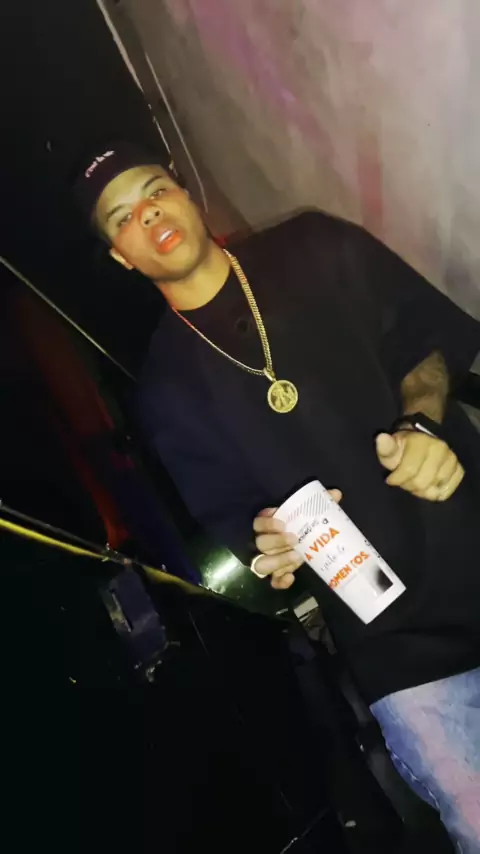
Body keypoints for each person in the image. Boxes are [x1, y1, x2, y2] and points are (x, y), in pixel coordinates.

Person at [74, 140, 480, 850]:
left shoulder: (314, 246)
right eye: (123, 216)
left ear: (185, 192)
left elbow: (425, 329)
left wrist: (421, 417)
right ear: (121, 257)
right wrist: (268, 546)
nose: (150, 214)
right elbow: (240, 525)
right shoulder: (166, 394)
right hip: (400, 655)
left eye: (155, 190)